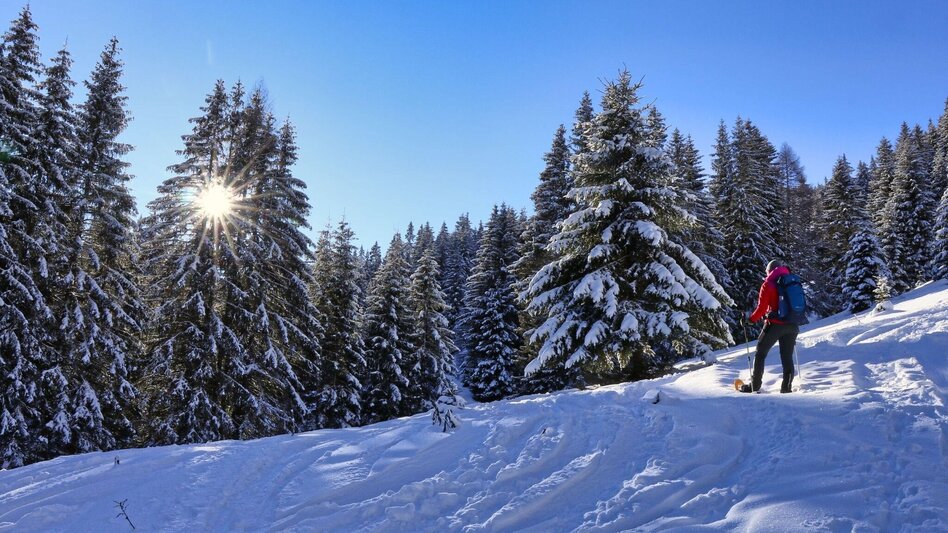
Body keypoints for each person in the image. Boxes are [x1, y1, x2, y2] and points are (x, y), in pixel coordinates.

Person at [742, 260, 799, 393]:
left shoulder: (768, 284)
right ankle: (786, 387)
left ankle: (754, 386)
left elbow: (761, 309)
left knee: (760, 353)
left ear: (769, 271)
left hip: (775, 325)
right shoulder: (791, 280)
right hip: (792, 324)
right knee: (787, 356)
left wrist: (750, 320)